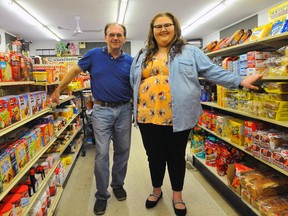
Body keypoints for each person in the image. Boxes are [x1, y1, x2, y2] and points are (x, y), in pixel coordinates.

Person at [129, 12, 262, 216]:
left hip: (179, 116)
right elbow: (133, 80)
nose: (163, 29)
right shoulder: (142, 54)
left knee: (175, 157)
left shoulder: (190, 52)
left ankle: (177, 195)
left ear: (175, 27)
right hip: (147, 117)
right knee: (154, 157)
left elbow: (212, 71)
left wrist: (240, 81)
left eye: (167, 25)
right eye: (158, 26)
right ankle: (156, 191)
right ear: (152, 30)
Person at [50, 23, 133, 215]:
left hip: (124, 110)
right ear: (105, 37)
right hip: (101, 109)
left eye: (119, 35)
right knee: (102, 153)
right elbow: (74, 71)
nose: (115, 38)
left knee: (123, 151)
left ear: (124, 38)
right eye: (111, 34)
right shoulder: (94, 55)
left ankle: (118, 184)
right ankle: (102, 195)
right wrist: (58, 89)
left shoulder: (130, 60)